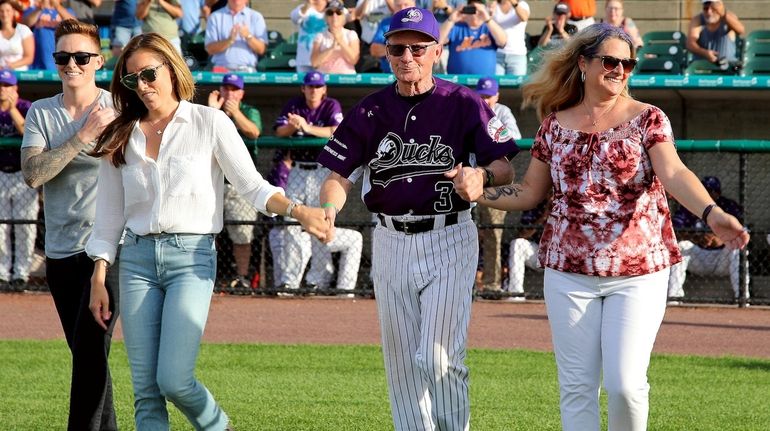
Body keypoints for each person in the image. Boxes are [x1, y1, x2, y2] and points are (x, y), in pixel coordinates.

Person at [455, 23, 749, 430]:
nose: (620, 70)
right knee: (577, 387)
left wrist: (713, 213)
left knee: (625, 385)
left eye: (627, 64)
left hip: (638, 270)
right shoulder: (553, 126)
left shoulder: (649, 119)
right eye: (610, 61)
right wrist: (476, 190)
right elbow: (528, 192)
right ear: (583, 63)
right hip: (568, 273)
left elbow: (675, 173)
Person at [85, 33, 328, 430]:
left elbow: (252, 187)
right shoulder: (121, 134)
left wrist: (299, 211)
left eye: (149, 74)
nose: (143, 86)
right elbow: (109, 214)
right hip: (136, 262)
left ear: (172, 68)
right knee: (146, 392)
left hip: (191, 259)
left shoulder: (209, 121)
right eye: (132, 80)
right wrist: (98, 274)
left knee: (174, 380)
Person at [318, 8, 517, 429]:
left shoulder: (464, 102)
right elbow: (339, 175)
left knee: (439, 355)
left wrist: (480, 175)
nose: (407, 56)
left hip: (448, 236)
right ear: (386, 54)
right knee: (403, 365)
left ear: (437, 51)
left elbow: (504, 165)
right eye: (397, 48)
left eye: (417, 47)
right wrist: (329, 209)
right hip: (390, 241)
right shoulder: (370, 111)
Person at [20, 19, 119, 431]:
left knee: (91, 353)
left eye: (81, 57)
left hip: (109, 251)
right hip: (60, 252)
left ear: (99, 60)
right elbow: (33, 174)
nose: (72, 65)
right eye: (63, 57)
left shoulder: (119, 106)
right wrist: (82, 137)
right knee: (86, 354)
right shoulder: (42, 112)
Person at [274, 70, 362, 296]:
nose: (314, 90)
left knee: (323, 220)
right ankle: (290, 281)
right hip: (298, 169)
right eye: (310, 86)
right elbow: (279, 131)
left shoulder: (331, 105)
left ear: (324, 89)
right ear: (303, 88)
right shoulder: (293, 104)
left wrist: (306, 127)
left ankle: (318, 280)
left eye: (318, 86)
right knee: (291, 222)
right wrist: (294, 126)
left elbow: (336, 130)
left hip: (321, 171)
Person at [207, 72, 262, 291]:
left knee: (242, 232)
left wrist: (235, 113)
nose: (229, 93)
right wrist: (213, 112)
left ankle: (242, 278)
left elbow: (254, 132)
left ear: (241, 93)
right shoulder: (209, 111)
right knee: (205, 231)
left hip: (240, 183)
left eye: (234, 89)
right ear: (220, 90)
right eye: (226, 88)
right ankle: (208, 274)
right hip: (211, 182)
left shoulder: (249, 111)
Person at [668, 176, 748, 303]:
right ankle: (674, 298)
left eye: (711, 191)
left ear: (718, 193)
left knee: (738, 250)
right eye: (705, 190)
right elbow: (674, 230)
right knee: (682, 245)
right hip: (698, 256)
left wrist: (722, 239)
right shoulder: (689, 205)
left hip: (722, 258)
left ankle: (743, 298)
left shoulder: (729, 206)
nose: (708, 194)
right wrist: (696, 238)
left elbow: (746, 233)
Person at [474, 76, 521, 296]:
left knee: (493, 233)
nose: (485, 100)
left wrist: (488, 136)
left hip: (495, 180)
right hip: (471, 177)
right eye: (481, 96)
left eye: (489, 96)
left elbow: (515, 137)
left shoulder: (502, 111)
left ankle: (491, 285)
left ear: (497, 96)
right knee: (465, 232)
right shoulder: (471, 108)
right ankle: (466, 282)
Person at [0, 69, 35, 291]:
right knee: (0, 227)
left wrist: (12, 109)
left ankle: (22, 273)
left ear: (15, 88)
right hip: (1, 173)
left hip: (23, 175)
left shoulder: (25, 107)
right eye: (1, 86)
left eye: (7, 85)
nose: (3, 90)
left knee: (25, 227)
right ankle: (2, 273)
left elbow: (28, 134)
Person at [439, 0, 507, 75]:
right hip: (457, 82)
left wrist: (487, 18)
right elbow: (438, 40)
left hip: (485, 83)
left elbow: (503, 41)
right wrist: (451, 20)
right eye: (472, 8)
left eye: (479, 8)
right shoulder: (457, 27)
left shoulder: (489, 28)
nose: (476, 12)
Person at [204, 0, 267, 72]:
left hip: (247, 70)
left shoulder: (256, 17)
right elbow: (209, 49)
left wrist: (248, 36)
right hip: (220, 70)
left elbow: (261, 49)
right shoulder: (215, 17)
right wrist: (229, 40)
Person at [505, 196, 550, 296]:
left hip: (563, 254)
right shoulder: (536, 205)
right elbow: (522, 234)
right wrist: (545, 215)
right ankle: (516, 294)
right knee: (518, 243)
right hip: (540, 253)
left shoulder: (571, 208)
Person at [686, 0, 745, 66]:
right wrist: (704, 53)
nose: (709, 12)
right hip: (703, 68)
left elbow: (741, 30)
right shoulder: (697, 20)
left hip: (727, 67)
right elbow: (690, 44)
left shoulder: (729, 19)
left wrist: (723, 14)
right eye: (706, 9)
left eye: (713, 9)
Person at [22, 0, 75, 70]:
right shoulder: (33, 9)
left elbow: (74, 25)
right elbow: (26, 24)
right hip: (38, 64)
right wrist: (40, 8)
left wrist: (57, 6)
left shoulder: (68, 11)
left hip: (61, 62)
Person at [311, 0, 360, 74]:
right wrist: (331, 48)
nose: (334, 16)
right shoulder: (320, 36)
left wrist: (340, 41)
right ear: (326, 17)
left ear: (343, 16)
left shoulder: (351, 34)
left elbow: (353, 60)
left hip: (346, 79)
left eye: (338, 13)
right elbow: (314, 63)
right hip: (325, 78)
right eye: (330, 13)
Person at [370, 0, 415, 73]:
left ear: (414, 5)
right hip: (389, 74)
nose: (402, 8)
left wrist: (393, 48)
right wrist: (399, 50)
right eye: (398, 6)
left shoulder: (421, 24)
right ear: (394, 7)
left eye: (406, 4)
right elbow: (374, 49)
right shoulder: (386, 23)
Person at [491, 0, 529, 76]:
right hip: (497, 54)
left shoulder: (522, 4)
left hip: (517, 55)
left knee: (516, 86)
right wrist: (490, 12)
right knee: (496, 85)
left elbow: (524, 17)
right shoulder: (495, 5)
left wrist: (514, 2)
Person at [291, 0, 329, 73]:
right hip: (304, 60)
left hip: (325, 60)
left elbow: (345, 15)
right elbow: (294, 18)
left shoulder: (332, 11)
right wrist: (307, 6)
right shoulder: (304, 9)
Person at [0, 0, 33, 70]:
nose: (4, 14)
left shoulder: (24, 30)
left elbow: (29, 57)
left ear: (13, 12)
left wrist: (10, 66)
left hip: (20, 74)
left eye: (8, 10)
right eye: (1, 11)